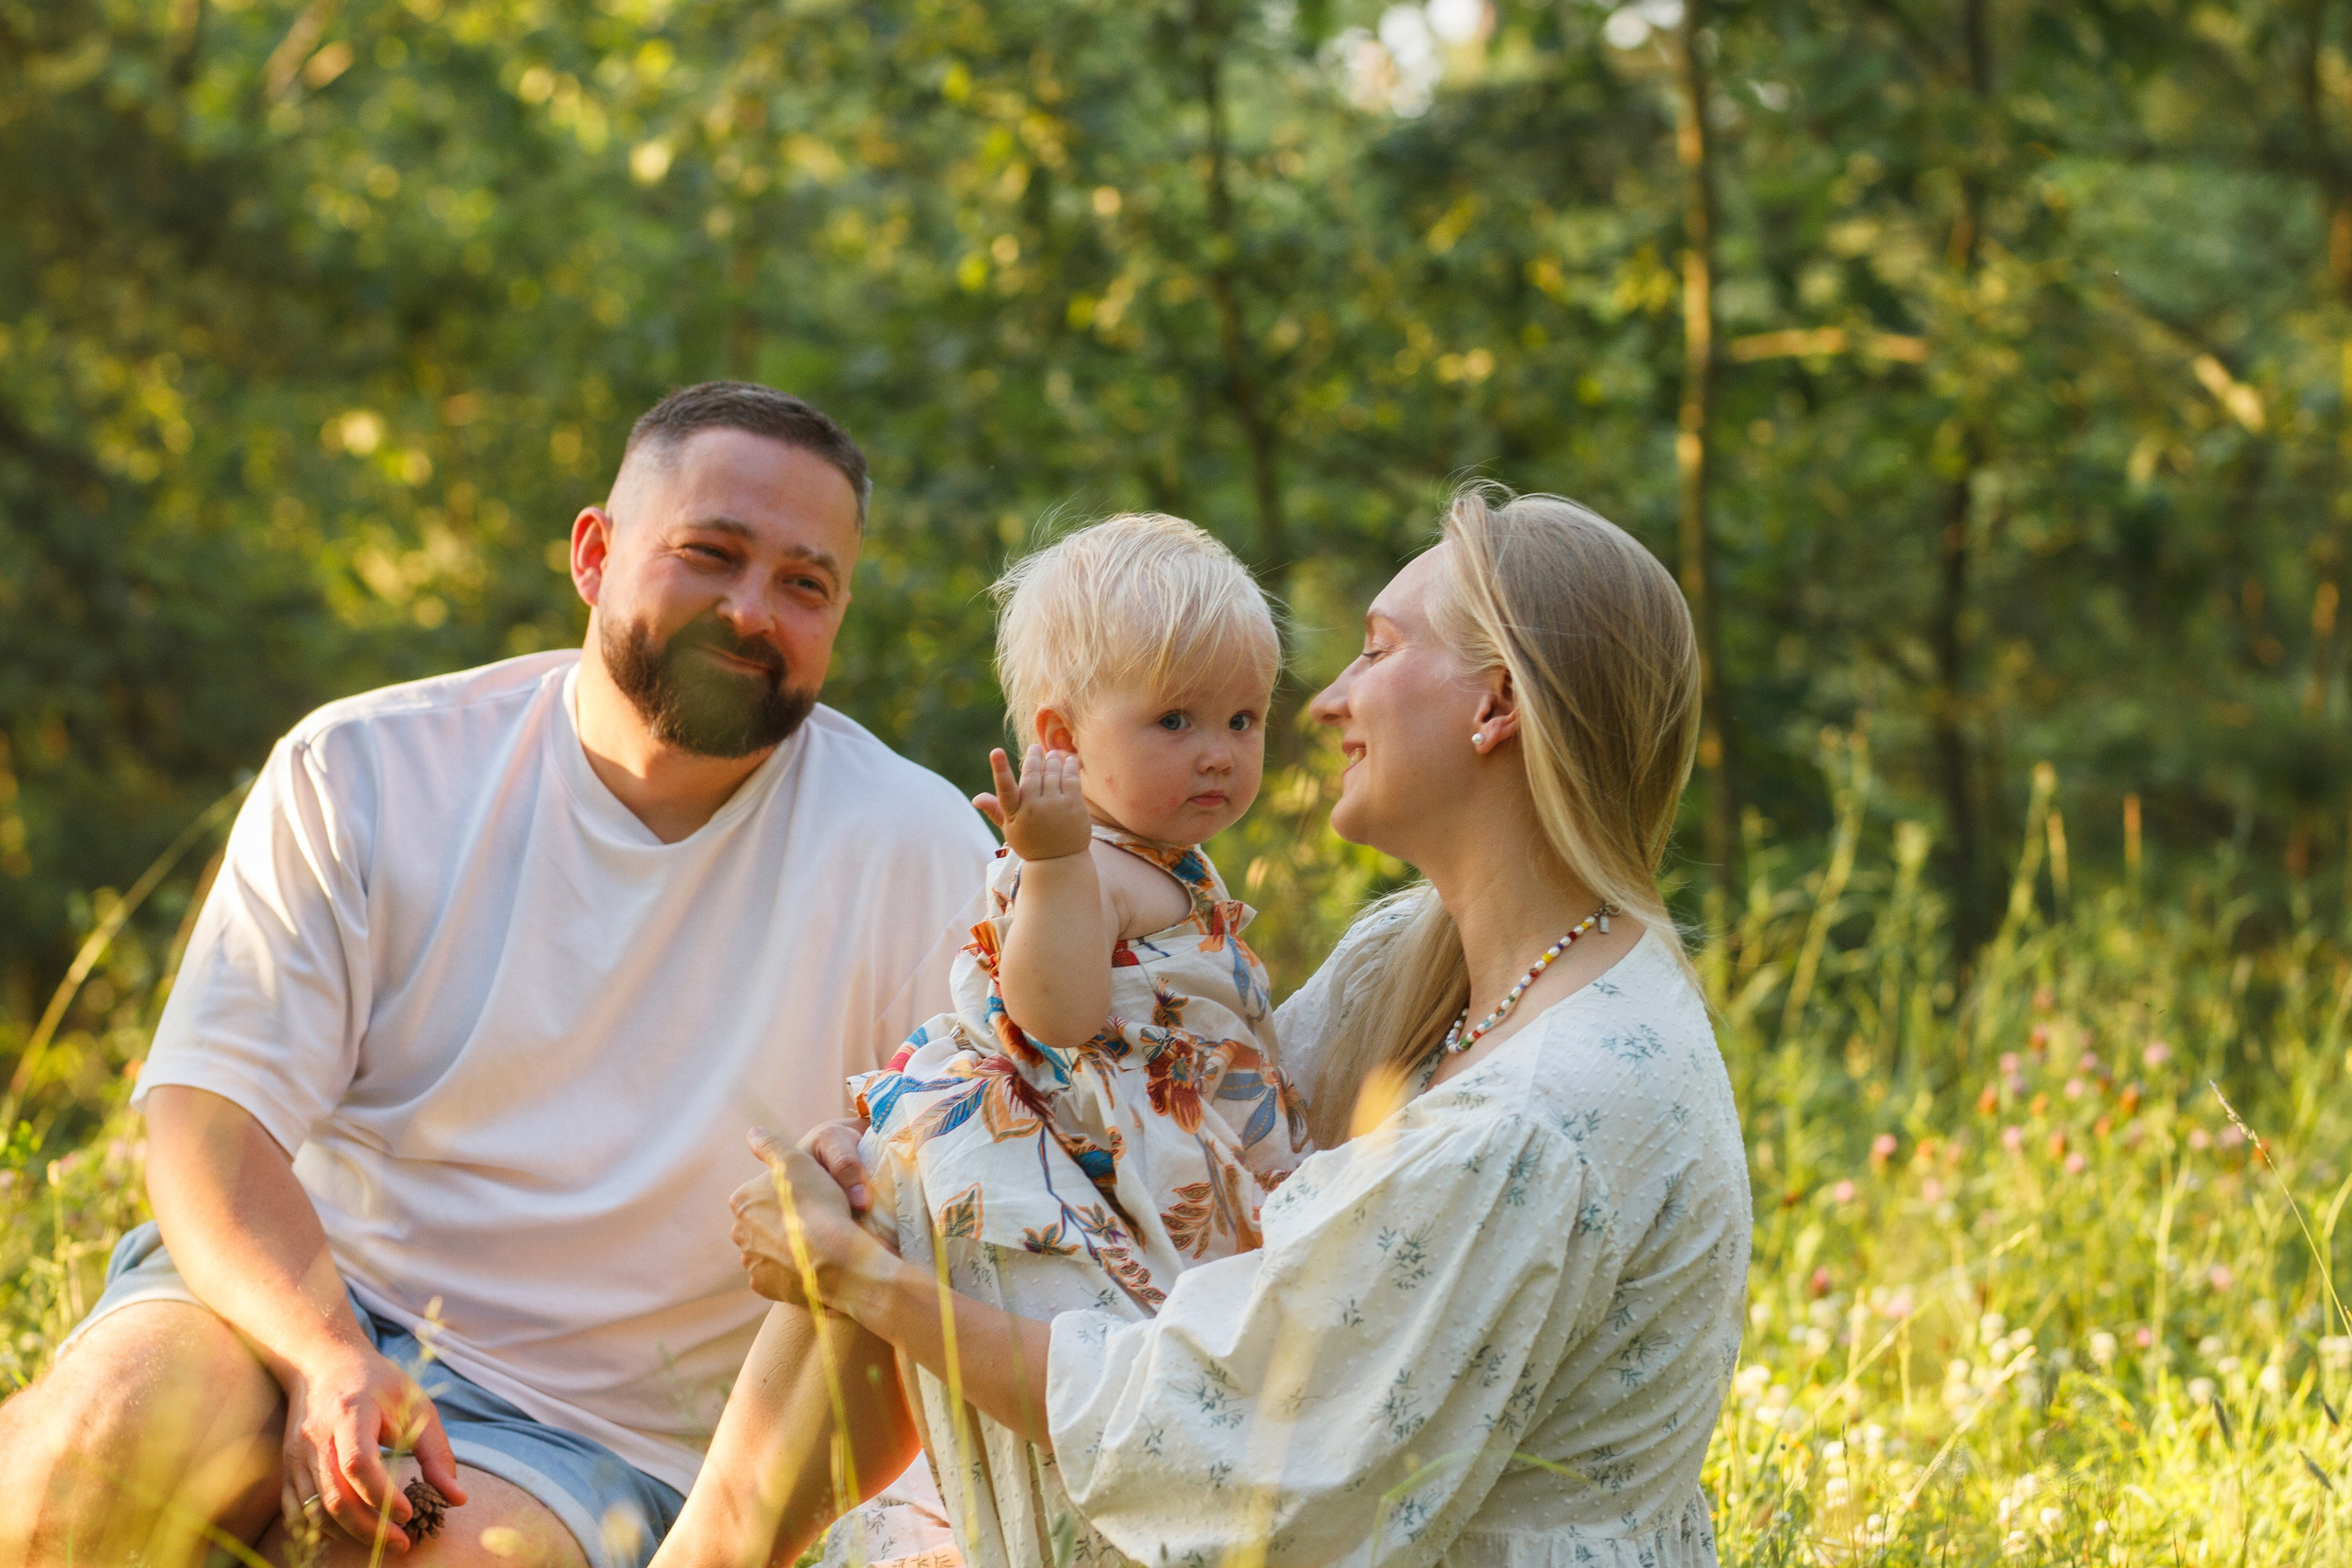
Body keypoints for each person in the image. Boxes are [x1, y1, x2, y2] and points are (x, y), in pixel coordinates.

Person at [0, 382, 996, 1568]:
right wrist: (326, 1352)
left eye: (804, 583)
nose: (750, 610)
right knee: (89, 1449)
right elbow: (206, 1121)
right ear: (594, 553)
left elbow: (984, 1214)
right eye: (710, 553)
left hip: (594, 1436)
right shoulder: (366, 767)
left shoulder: (917, 850)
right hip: (287, 1302)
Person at [725, 484, 1750, 1566]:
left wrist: (865, 1275)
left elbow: (1236, 1465)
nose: (1324, 702)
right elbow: (1148, 1118)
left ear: (1493, 707)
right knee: (930, 1164)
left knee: (936, 1187)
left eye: (1374, 649)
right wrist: (886, 1146)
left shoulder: (1535, 1118)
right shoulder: (1414, 957)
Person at [653, 513, 1310, 1568]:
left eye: (1243, 720)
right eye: (1175, 720)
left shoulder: (1166, 861)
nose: (1218, 755)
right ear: (1059, 742)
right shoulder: (1078, 863)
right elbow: (1053, 1014)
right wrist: (1049, 868)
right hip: (1101, 1182)